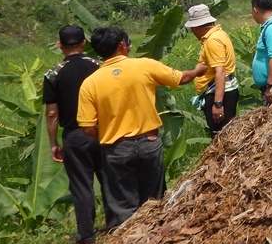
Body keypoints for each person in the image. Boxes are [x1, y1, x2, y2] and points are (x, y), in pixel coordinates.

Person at [77, 27, 201, 230]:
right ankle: (156, 238)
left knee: (123, 206)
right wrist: (198, 71)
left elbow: (88, 128)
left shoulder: (90, 83)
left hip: (116, 149)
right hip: (148, 143)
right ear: (122, 45)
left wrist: (113, 129)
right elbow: (182, 78)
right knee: (153, 201)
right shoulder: (144, 66)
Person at [43, 25, 106, 244]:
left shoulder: (53, 74)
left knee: (81, 185)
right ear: (83, 43)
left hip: (75, 135)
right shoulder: (99, 67)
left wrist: (53, 143)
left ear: (60, 46)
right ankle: (116, 225)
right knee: (108, 178)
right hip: (103, 131)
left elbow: (52, 113)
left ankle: (87, 235)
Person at [184, 4, 238, 138]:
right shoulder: (218, 34)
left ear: (195, 27)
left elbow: (220, 71)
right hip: (221, 91)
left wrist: (218, 104)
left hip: (220, 93)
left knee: (220, 137)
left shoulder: (213, 40)